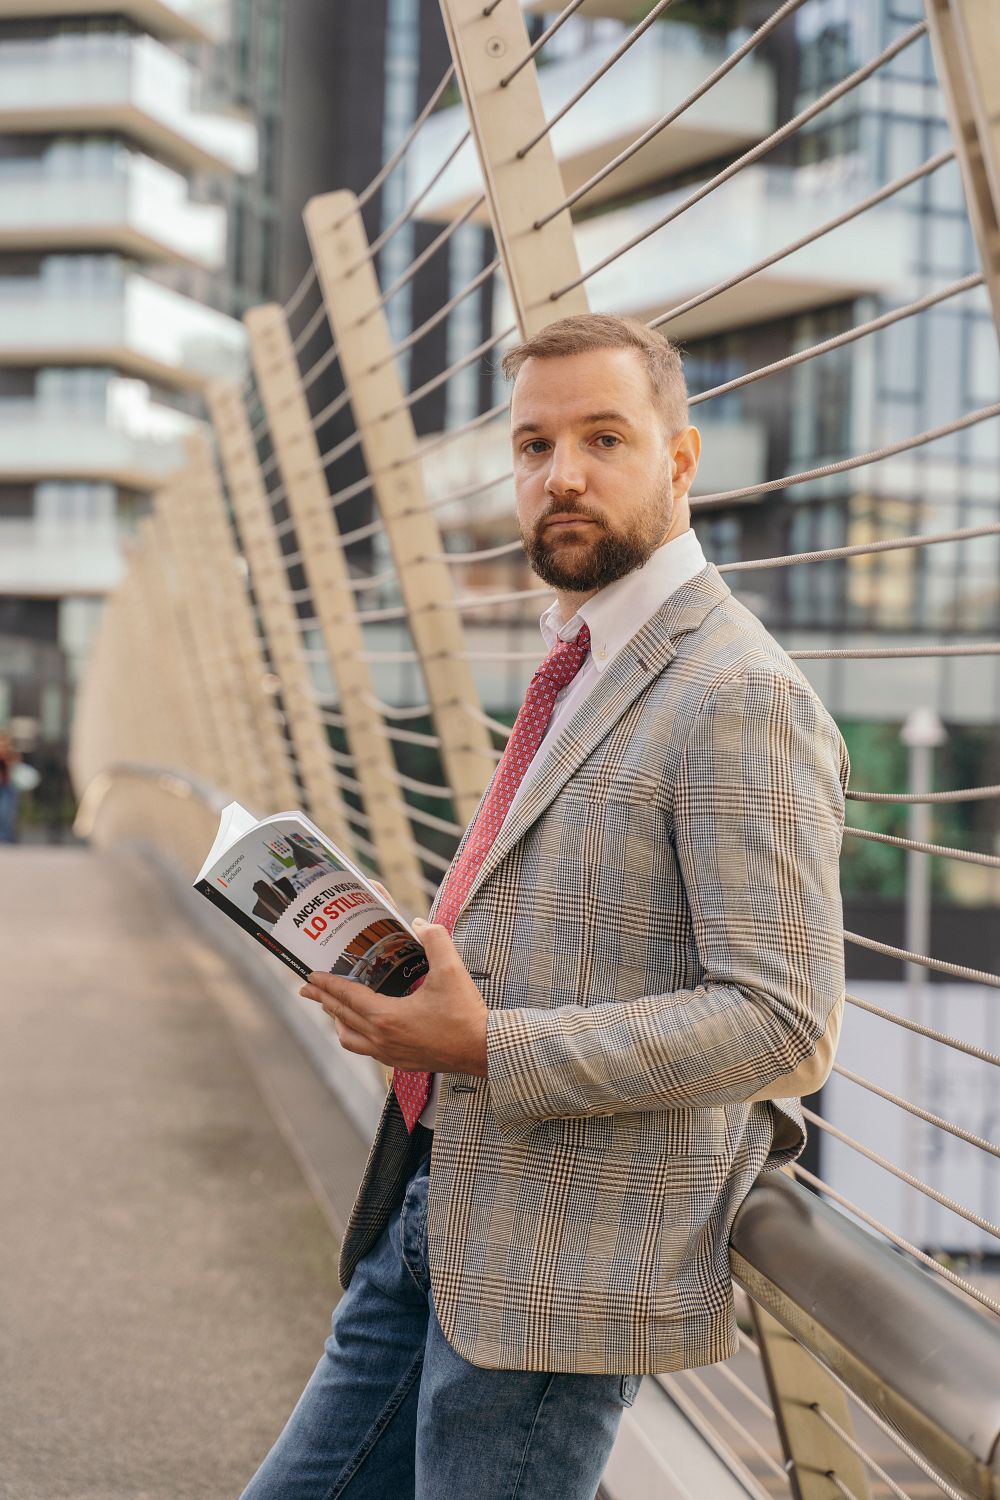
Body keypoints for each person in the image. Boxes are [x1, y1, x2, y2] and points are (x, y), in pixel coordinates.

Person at [240, 314, 849, 1500]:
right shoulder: (581, 655)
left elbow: (783, 1022)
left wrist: (483, 1044)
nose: (559, 475)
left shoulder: (736, 694)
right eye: (532, 446)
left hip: (556, 1276)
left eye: (602, 438)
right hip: (431, 1207)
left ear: (680, 459)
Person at [0, 730, 21, 844]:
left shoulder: (11, 754)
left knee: (6, 812)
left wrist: (7, 756)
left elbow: (14, 766)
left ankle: (6, 836)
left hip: (6, 787)